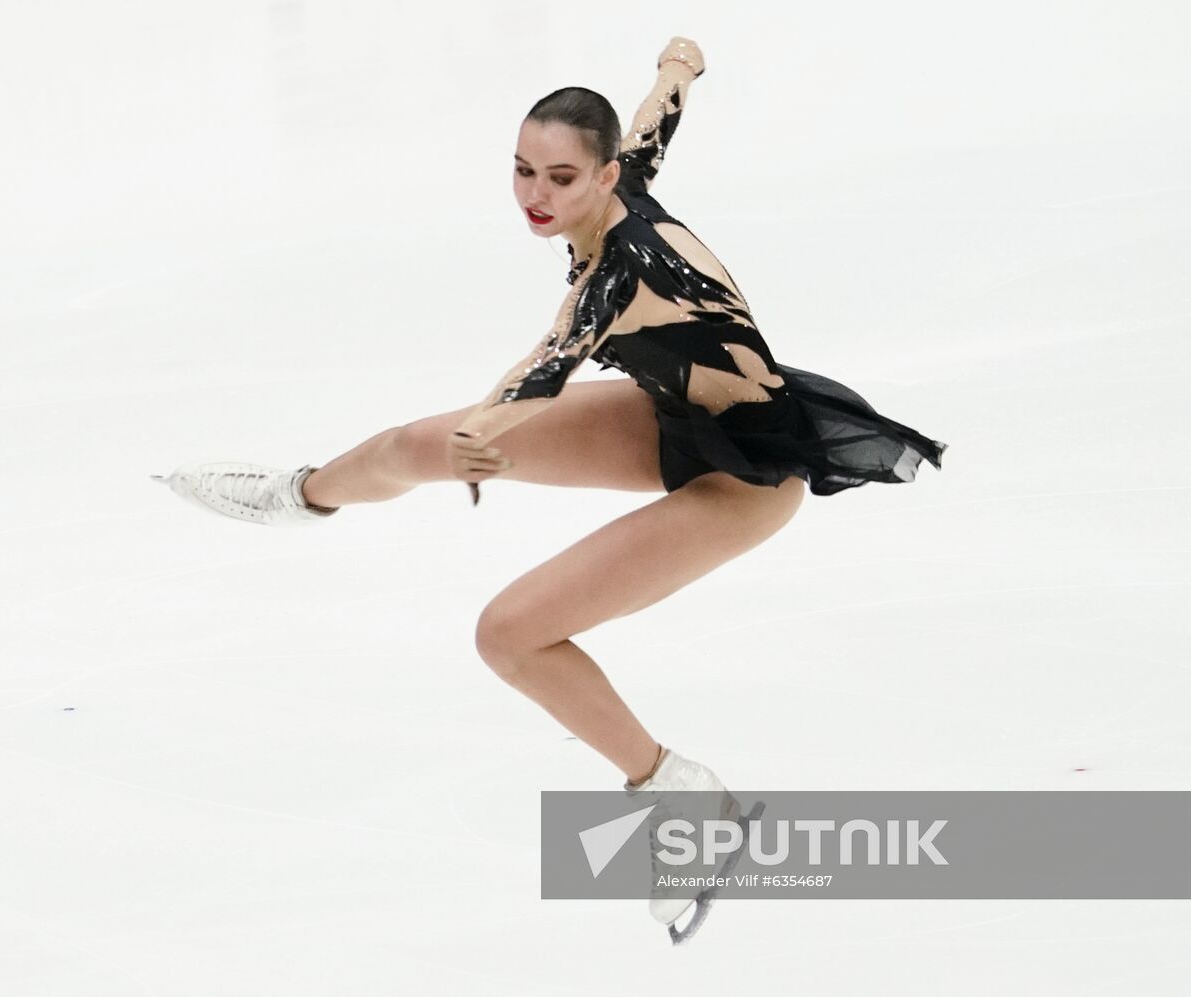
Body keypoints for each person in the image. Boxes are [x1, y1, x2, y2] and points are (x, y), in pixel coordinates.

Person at [153, 37, 947, 934]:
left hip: (746, 472)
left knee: (510, 633)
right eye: (524, 170)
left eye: (561, 178)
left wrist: (485, 432)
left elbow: (549, 364)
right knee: (418, 443)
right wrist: (677, 72)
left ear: (602, 178)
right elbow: (654, 128)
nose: (538, 195)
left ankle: (682, 794)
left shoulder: (621, 271)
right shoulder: (624, 179)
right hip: (675, 413)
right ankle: (299, 495)